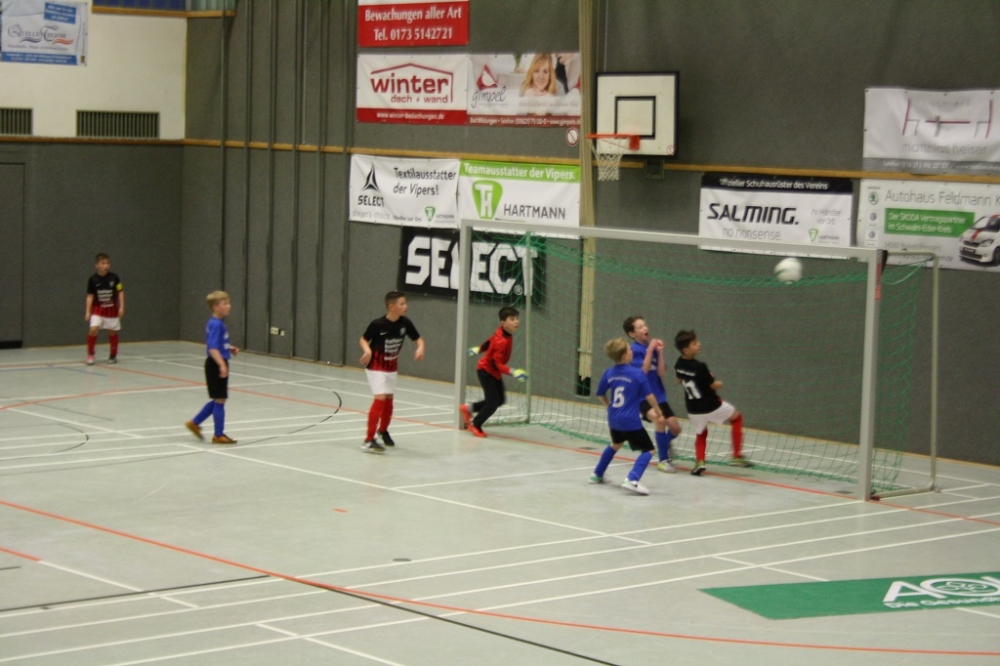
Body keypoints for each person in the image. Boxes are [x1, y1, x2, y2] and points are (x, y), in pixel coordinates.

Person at [590, 338, 663, 495]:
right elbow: (649, 396)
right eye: (630, 350)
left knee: (616, 444)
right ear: (624, 356)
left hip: (614, 419)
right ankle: (632, 479)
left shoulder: (609, 373)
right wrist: (658, 411)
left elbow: (600, 394)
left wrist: (609, 406)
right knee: (649, 450)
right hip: (630, 421)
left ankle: (597, 474)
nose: (632, 351)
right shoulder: (637, 374)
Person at [673, 330, 751, 475]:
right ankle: (736, 456)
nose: (699, 344)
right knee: (737, 418)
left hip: (692, 408)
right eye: (694, 343)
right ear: (686, 350)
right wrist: (719, 382)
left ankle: (700, 462)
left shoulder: (678, 363)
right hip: (710, 405)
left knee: (701, 433)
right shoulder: (700, 366)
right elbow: (713, 386)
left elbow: (679, 380)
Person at [359, 291, 424, 453]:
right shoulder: (378, 324)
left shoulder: (405, 323)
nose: (406, 306)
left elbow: (418, 339)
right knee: (380, 399)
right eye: (402, 304)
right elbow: (363, 339)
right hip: (376, 366)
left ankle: (383, 430)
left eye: (405, 303)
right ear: (391, 306)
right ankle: (368, 440)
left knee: (389, 400)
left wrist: (420, 348)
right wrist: (367, 351)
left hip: (391, 367)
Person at [624, 316, 682, 473]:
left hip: (659, 396)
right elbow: (642, 372)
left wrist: (660, 353)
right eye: (640, 327)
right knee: (660, 420)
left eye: (645, 325)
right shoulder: (634, 350)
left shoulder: (653, 349)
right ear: (632, 334)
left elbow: (661, 373)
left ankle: (664, 443)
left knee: (676, 429)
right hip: (643, 397)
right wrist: (650, 351)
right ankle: (663, 460)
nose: (645, 328)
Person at [460, 306, 528, 438]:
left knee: (500, 399)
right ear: (503, 323)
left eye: (517, 318)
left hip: (493, 372)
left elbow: (490, 341)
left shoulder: (502, 332)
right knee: (492, 403)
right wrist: (513, 372)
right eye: (512, 319)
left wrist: (478, 349)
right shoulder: (501, 341)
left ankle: (467, 408)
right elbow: (498, 365)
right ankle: (475, 424)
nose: (516, 322)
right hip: (486, 371)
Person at [185, 291, 239, 445]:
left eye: (228, 303)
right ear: (215, 307)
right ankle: (218, 435)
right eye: (225, 304)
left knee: (219, 398)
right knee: (220, 399)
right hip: (216, 363)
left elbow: (218, 344)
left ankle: (195, 422)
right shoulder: (216, 324)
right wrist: (221, 364)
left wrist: (229, 348)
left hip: (216, 361)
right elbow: (212, 348)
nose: (229, 306)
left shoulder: (216, 323)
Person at [85, 253, 124, 365]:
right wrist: (87, 311)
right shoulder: (93, 279)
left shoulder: (114, 278)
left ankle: (113, 355)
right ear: (96, 265)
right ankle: (91, 354)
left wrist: (122, 306)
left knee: (112, 331)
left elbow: (120, 292)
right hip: (97, 310)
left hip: (111, 310)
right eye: (103, 263)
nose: (106, 265)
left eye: (107, 263)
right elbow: (90, 296)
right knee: (93, 329)